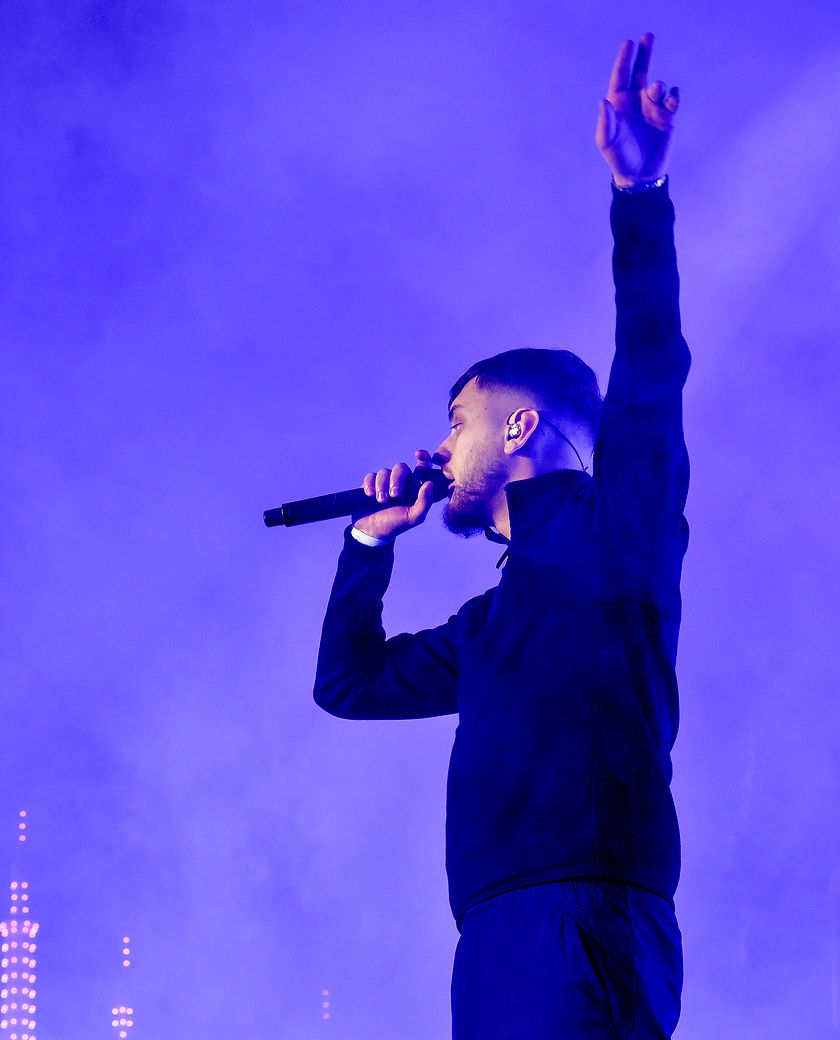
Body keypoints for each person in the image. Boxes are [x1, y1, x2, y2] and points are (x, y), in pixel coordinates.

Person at [311, 34, 689, 1039]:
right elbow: (347, 686)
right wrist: (366, 541)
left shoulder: (622, 529)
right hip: (493, 926)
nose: (438, 447)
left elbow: (652, 369)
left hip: (586, 908)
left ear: (517, 427)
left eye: (457, 422)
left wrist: (638, 197)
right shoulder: (486, 624)